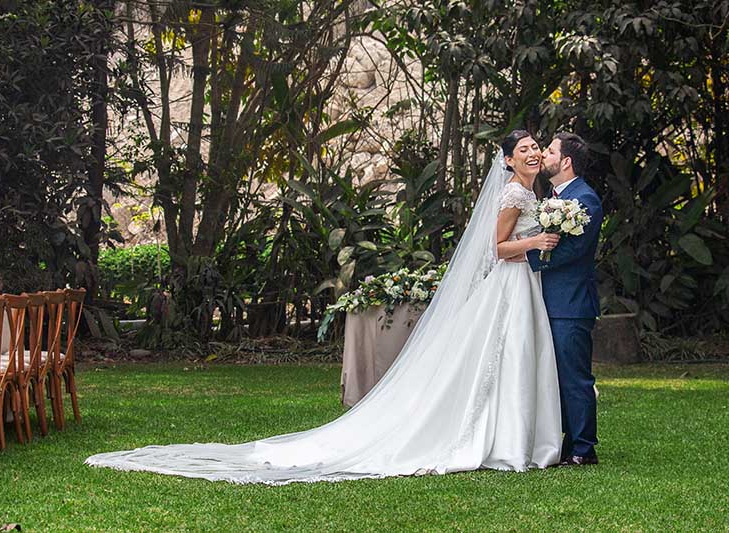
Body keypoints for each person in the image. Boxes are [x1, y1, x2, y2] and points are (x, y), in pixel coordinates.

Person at [86, 131, 564, 485]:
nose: (532, 152)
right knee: (506, 353)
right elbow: (494, 248)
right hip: (509, 279)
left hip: (524, 285)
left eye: (536, 147)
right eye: (522, 148)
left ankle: (517, 437)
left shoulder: (539, 192)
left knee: (516, 357)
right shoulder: (513, 193)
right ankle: (503, 440)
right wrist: (535, 240)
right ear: (506, 160)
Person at [525, 132, 603, 465]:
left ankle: (584, 449)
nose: (544, 154)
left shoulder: (585, 199)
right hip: (553, 301)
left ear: (566, 162)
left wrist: (529, 256)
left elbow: (574, 250)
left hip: (570, 303)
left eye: (551, 150)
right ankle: (570, 442)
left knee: (575, 377)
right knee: (558, 377)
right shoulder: (554, 197)